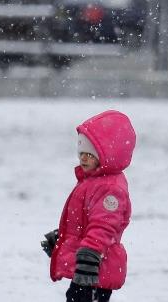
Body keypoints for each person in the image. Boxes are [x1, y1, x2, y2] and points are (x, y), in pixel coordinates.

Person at [46, 110, 134, 302]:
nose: (83, 159)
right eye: (81, 154)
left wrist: (90, 255)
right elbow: (84, 222)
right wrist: (64, 241)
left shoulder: (110, 188)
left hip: (97, 268)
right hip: (90, 269)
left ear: (106, 156)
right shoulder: (93, 182)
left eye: (90, 154)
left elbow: (104, 226)